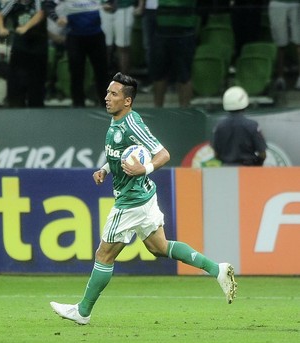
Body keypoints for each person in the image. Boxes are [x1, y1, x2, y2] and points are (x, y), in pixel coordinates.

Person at [50, 73, 237, 325]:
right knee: (159, 247)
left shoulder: (131, 124)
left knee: (104, 255)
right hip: (144, 196)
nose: (107, 98)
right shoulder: (119, 122)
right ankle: (217, 269)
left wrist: (144, 169)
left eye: (114, 94)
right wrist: (105, 168)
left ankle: (82, 311)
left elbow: (163, 154)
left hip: (131, 200)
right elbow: (121, 153)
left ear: (127, 101)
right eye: (107, 92)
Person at [43, 0, 108, 108]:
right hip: (75, 37)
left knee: (101, 71)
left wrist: (110, 5)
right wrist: (57, 18)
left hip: (96, 35)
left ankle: (106, 104)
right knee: (76, 72)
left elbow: (110, 3)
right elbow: (47, 4)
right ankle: (78, 104)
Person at [0, 0, 47, 107]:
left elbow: (40, 14)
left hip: (38, 46)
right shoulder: (13, 3)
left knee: (37, 79)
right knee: (16, 78)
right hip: (20, 46)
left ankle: (36, 106)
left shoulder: (38, 2)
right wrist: (1, 28)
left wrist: (26, 27)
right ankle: (16, 105)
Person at [151, 0, 196, 108]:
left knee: (184, 75)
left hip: (184, 34)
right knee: (159, 75)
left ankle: (185, 112)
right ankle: (157, 111)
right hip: (161, 32)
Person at [212, 86, 267, 166]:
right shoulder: (252, 125)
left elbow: (216, 155)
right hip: (248, 171)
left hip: (225, 172)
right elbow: (262, 154)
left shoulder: (219, 127)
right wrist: (257, 163)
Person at [268, 0, 300, 90]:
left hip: (296, 3)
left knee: (299, 42)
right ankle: (280, 78)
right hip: (277, 3)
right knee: (280, 42)